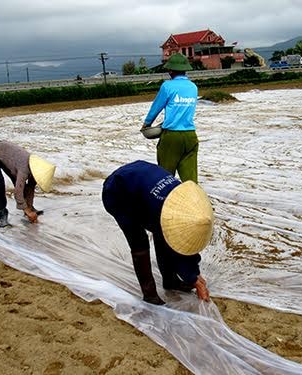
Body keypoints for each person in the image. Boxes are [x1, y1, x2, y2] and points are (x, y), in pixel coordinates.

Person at [102, 160, 213, 305]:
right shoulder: (164, 208)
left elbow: (182, 244)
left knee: (164, 232)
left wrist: (194, 274)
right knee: (139, 243)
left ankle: (170, 280)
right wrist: (193, 278)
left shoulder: (183, 202)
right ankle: (149, 294)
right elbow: (178, 250)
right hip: (116, 193)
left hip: (141, 183)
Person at [142, 53, 199, 183]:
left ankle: (165, 202)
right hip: (190, 136)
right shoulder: (193, 87)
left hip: (172, 137)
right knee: (190, 181)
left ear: (170, 70)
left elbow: (156, 107)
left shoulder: (167, 86)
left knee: (164, 179)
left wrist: (146, 124)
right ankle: (193, 202)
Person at [0, 140, 56, 227]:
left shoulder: (36, 170)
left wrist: (30, 207)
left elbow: (30, 188)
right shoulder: (24, 169)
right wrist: (27, 210)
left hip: (7, 157)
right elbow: (17, 192)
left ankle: (28, 209)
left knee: (20, 184)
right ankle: (2, 215)